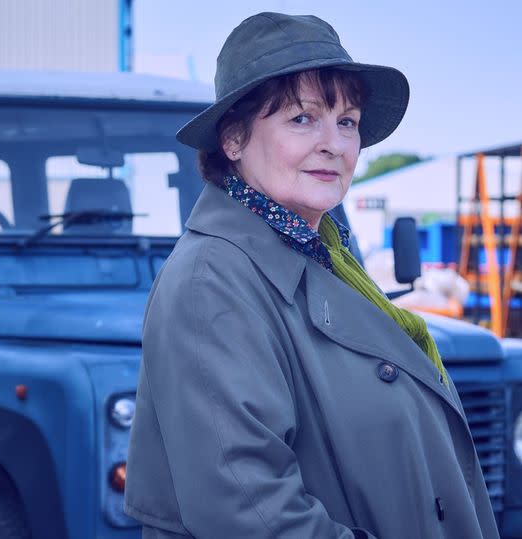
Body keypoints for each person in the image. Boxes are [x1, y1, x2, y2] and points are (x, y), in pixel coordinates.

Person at [124, 12, 500, 539]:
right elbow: (251, 513)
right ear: (233, 139)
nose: (334, 143)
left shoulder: (321, 255)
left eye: (346, 121)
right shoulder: (210, 282)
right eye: (302, 118)